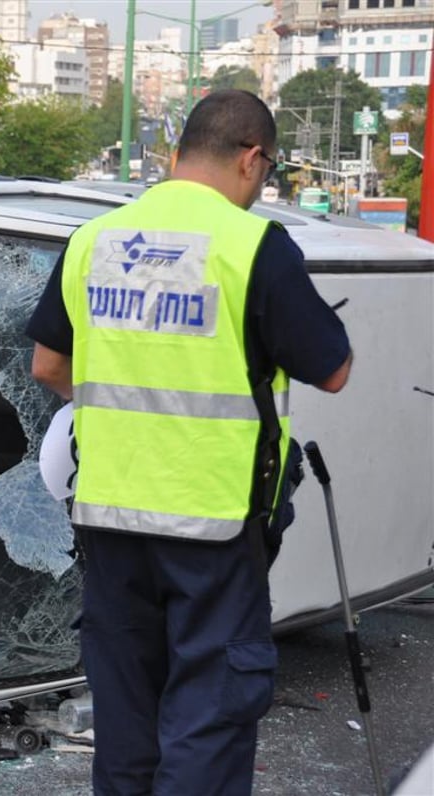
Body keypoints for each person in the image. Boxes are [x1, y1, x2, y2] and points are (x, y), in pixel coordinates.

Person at [26, 89, 352, 795]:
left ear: (175, 156)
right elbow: (334, 370)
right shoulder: (253, 246)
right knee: (206, 720)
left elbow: (49, 366)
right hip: (214, 526)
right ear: (253, 160)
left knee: (125, 723)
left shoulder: (95, 240)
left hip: (109, 522)